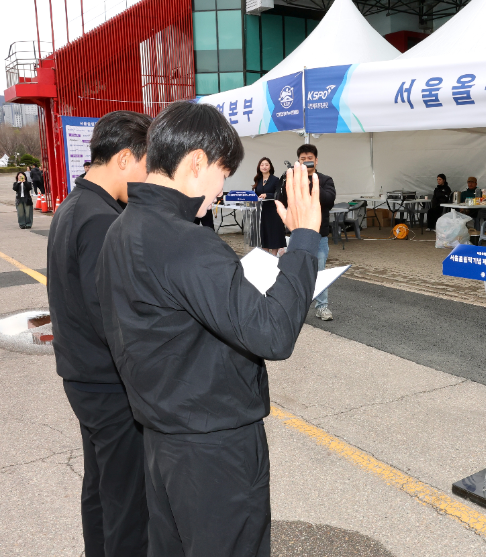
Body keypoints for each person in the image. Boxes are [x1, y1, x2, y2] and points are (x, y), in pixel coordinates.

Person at [96, 101, 322, 556]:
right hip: (214, 448)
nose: (221, 189)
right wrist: (304, 240)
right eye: (222, 173)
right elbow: (274, 333)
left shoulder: (122, 229)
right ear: (196, 161)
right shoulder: (187, 243)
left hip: (162, 439)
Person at [47, 110, 153, 556]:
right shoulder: (101, 219)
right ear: (125, 158)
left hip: (83, 376)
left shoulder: (75, 206)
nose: (149, 179)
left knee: (100, 489)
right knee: (128, 501)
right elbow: (109, 314)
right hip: (108, 382)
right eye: (149, 166)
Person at [279, 144, 336, 320]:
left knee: (319, 272)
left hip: (319, 236)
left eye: (309, 158)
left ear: (316, 160)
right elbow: (280, 199)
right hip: (297, 234)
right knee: (294, 272)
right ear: (298, 161)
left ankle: (322, 307)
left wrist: (309, 183)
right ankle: (292, 308)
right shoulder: (291, 179)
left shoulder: (325, 180)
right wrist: (287, 181)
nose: (306, 162)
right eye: (302, 159)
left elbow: (329, 200)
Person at [253, 157, 286, 255]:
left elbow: (279, 194)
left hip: (273, 211)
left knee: (274, 235)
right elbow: (256, 193)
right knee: (264, 235)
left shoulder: (275, 180)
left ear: (270, 167)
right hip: (262, 211)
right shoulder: (257, 179)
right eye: (262, 165)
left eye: (266, 164)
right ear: (259, 167)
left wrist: (267, 195)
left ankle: (274, 256)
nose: (264, 167)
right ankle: (266, 256)